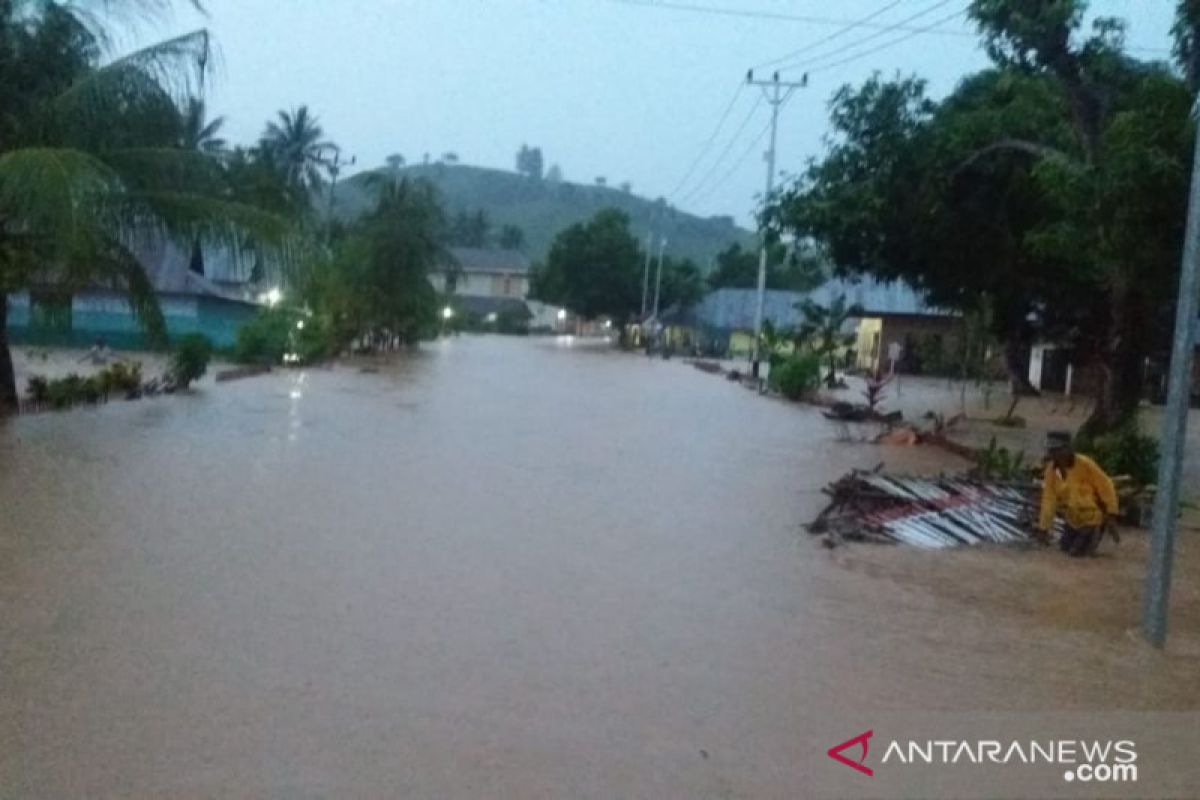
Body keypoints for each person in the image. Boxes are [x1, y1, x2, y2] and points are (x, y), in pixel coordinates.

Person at [1034, 431, 1119, 557]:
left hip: (1091, 519)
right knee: (1064, 550)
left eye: (1058, 450)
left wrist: (1111, 513)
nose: (1054, 454)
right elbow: (1049, 500)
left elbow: (1106, 486)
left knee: (1077, 555)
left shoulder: (1085, 464)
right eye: (1052, 451)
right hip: (1072, 519)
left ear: (1068, 448)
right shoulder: (1052, 471)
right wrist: (1044, 527)